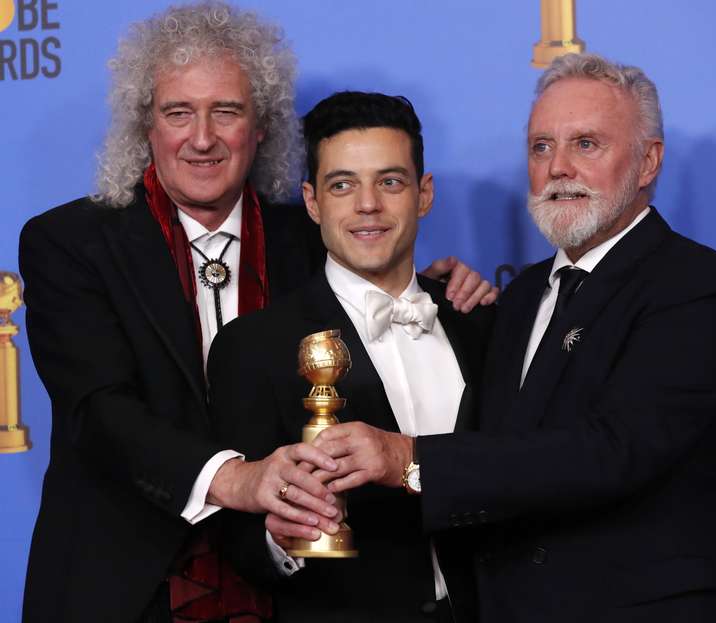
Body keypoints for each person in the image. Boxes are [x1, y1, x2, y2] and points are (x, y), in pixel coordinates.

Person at [17, 4, 494, 623]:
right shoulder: (70, 242)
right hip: (125, 582)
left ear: (261, 125)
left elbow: (377, 299)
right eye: (178, 113)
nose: (203, 137)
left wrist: (435, 290)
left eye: (227, 111)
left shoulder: (313, 232)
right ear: (147, 126)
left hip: (294, 590)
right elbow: (100, 411)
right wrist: (238, 480)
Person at [284, 53, 716, 622]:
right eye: (541, 147)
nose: (558, 168)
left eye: (586, 144)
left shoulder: (696, 286)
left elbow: (613, 451)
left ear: (648, 160)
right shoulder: (521, 297)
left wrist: (409, 459)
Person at [207, 91, 493, 623]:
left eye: (390, 181)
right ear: (313, 202)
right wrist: (277, 538)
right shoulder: (253, 347)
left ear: (424, 193)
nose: (368, 205)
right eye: (343, 185)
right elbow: (233, 536)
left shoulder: (482, 324)